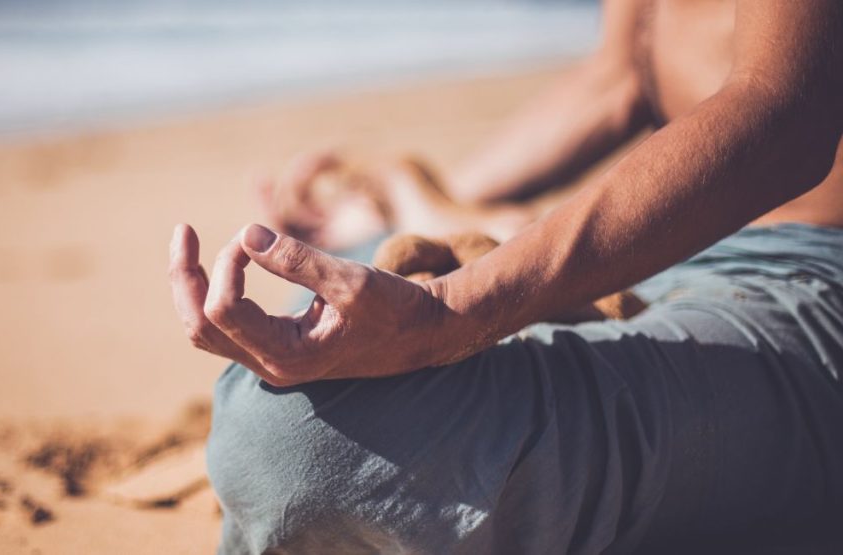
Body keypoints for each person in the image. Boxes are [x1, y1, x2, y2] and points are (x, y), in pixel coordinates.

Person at [168, 1, 843, 552]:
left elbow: (785, 112)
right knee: (329, 336)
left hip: (799, 280)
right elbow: (621, 75)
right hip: (647, 254)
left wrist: (451, 314)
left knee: (296, 444)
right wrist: (414, 212)